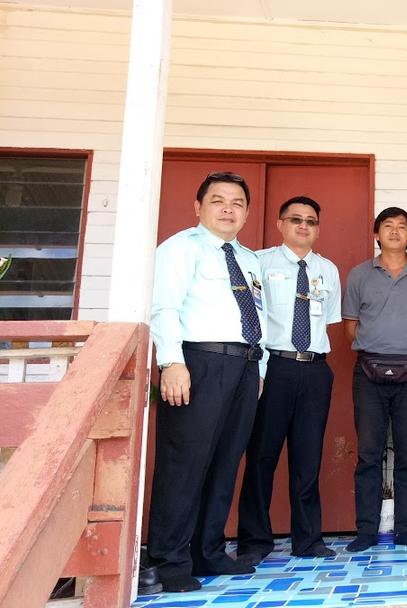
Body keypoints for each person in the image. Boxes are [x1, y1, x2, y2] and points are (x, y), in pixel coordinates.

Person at [148, 171, 267, 593]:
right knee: (184, 463)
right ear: (198, 207)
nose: (228, 209)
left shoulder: (249, 260)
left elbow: (258, 317)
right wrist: (171, 362)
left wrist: (260, 372)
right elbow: (164, 307)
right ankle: (169, 559)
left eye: (237, 202)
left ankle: (209, 551)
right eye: (218, 200)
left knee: (224, 461)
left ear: (247, 212)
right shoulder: (180, 248)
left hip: (244, 367)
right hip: (197, 362)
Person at [236, 196, 340, 566]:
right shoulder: (258, 263)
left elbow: (327, 319)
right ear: (280, 223)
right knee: (262, 456)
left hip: (313, 369)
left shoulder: (327, 269)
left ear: (317, 228)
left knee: (307, 457)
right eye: (295, 219)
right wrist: (259, 372)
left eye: (310, 221)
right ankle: (254, 540)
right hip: (272, 368)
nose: (303, 226)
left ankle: (308, 539)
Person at [342, 207, 407, 552]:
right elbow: (350, 327)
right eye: (388, 226)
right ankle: (366, 531)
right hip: (368, 372)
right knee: (369, 454)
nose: (395, 232)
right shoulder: (359, 275)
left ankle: (405, 530)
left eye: (402, 227)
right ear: (377, 234)